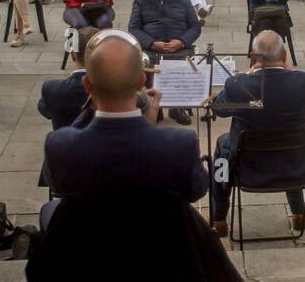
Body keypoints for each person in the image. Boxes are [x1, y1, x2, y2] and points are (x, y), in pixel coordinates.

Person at [42, 30, 207, 202]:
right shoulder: (181, 144)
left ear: (87, 85)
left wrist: (89, 109)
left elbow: (57, 186)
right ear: (141, 82)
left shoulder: (61, 145)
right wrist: (150, 118)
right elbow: (197, 190)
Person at [208, 31, 305, 237]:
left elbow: (219, 110)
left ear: (253, 57)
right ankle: (298, 213)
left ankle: (219, 217)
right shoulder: (302, 80)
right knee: (289, 141)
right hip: (293, 165)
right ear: (284, 56)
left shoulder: (237, 84)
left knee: (221, 150)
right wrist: (293, 73)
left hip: (247, 166)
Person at [128, 0, 202, 125]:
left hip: (180, 49)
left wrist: (181, 42)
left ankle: (177, 107)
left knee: (183, 65)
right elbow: (133, 28)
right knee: (147, 65)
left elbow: (195, 27)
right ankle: (154, 106)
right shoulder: (141, 0)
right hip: (152, 50)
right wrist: (152, 43)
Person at [38, 25, 99, 134]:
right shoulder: (114, 88)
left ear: (72, 55)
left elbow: (44, 109)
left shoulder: (52, 89)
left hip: (65, 147)